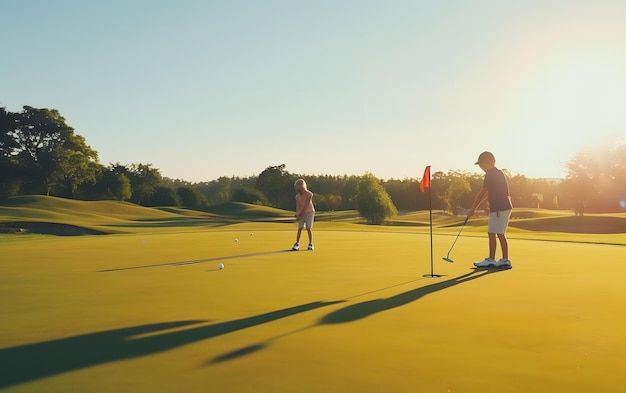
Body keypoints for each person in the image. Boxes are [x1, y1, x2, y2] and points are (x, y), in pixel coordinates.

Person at [467, 151, 513, 269]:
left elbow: (482, 193)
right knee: (498, 233)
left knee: (493, 232)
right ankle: (503, 259)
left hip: (499, 208)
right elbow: (491, 193)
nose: (481, 167)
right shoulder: (498, 173)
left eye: (481, 164)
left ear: (487, 162)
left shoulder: (490, 174)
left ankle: (493, 260)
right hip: (502, 206)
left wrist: (473, 209)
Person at [292, 178, 315, 251]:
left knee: (308, 228)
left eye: (300, 188)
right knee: (300, 228)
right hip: (302, 213)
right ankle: (297, 244)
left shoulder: (309, 194)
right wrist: (297, 214)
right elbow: (298, 206)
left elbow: (306, 205)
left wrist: (300, 215)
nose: (299, 190)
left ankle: (310, 244)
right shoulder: (297, 196)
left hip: (309, 212)